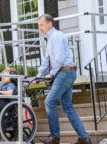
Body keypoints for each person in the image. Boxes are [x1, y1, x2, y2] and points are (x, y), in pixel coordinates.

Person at [34, 14, 91, 144]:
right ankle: (83, 138)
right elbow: (47, 60)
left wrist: (51, 74)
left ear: (50, 24)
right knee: (67, 106)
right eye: (39, 26)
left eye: (42, 25)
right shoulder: (50, 39)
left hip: (65, 72)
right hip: (65, 72)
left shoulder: (57, 36)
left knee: (49, 102)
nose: (40, 28)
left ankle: (54, 137)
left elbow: (59, 59)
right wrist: (39, 75)